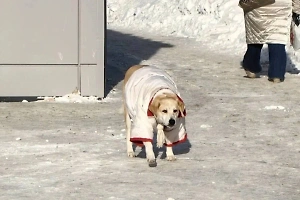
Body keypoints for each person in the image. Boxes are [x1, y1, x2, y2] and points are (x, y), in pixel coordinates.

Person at [240, 0, 300, 83]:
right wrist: (297, 10)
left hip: (256, 5)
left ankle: (251, 67)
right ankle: (277, 73)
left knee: (255, 36)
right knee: (277, 38)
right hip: (281, 7)